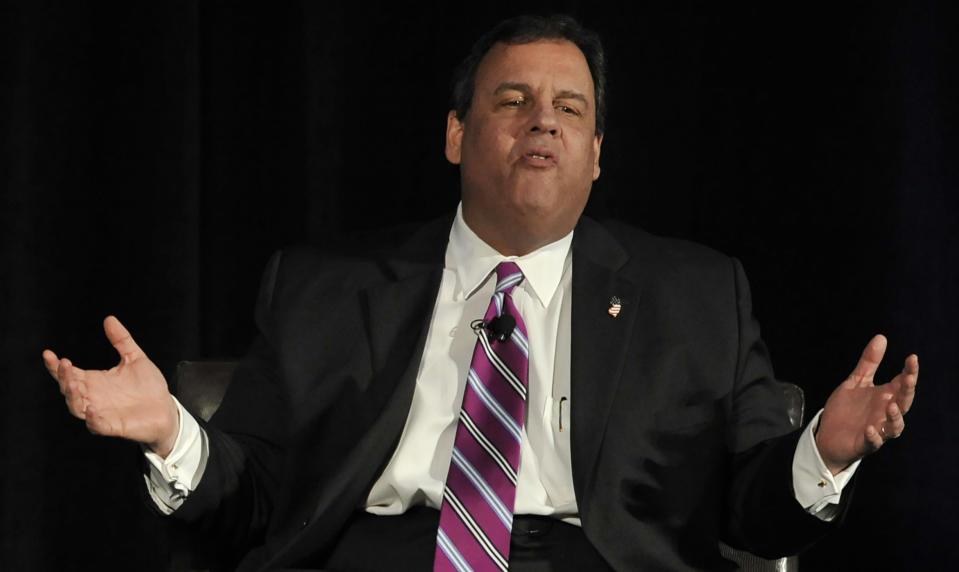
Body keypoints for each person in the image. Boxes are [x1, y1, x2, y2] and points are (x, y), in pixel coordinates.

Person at [43, 14, 918, 572]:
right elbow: (254, 497)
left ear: (598, 153)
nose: (544, 119)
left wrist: (823, 456)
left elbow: (755, 515)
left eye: (570, 109)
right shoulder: (324, 288)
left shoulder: (697, 296)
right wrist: (171, 436)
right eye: (515, 100)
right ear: (458, 135)